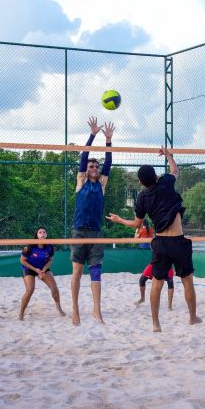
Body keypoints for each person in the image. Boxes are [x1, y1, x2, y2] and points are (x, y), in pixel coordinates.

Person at [107, 148, 202, 332]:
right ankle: (192, 317)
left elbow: (136, 224)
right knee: (187, 280)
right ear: (156, 176)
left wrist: (119, 220)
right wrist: (167, 155)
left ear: (141, 182)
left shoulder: (142, 197)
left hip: (160, 243)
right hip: (177, 241)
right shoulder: (166, 182)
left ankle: (156, 324)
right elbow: (175, 170)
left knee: (157, 284)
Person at [70, 116, 114, 326]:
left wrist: (108, 141)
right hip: (79, 231)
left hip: (95, 232)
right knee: (77, 272)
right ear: (86, 170)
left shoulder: (102, 184)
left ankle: (97, 312)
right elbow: (83, 156)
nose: (94, 167)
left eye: (96, 165)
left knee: (95, 271)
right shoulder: (81, 181)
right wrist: (93, 135)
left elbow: (109, 163)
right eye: (91, 165)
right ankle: (75, 311)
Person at [18, 227, 65, 320]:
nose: (42, 234)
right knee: (30, 289)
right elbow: (22, 260)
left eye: (44, 232)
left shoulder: (50, 246)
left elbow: (50, 260)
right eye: (40, 232)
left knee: (54, 287)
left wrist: (43, 270)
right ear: (37, 235)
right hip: (29, 268)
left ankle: (58, 307)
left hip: (43, 268)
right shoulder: (29, 246)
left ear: (46, 235)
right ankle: (21, 313)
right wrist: (35, 270)